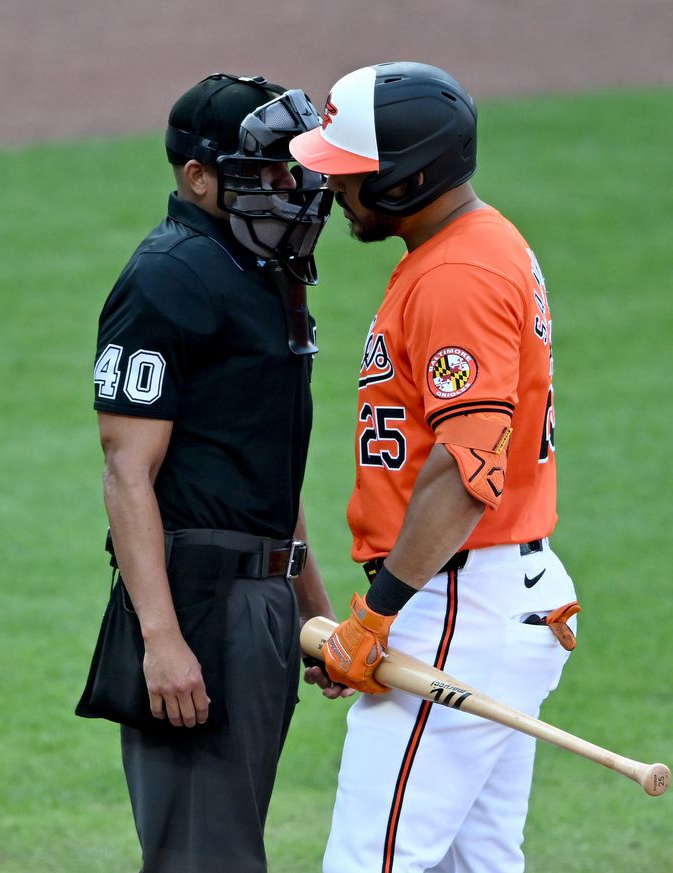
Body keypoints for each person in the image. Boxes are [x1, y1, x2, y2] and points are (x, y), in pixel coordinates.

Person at [289, 62, 583, 872]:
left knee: (369, 864)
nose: (336, 192)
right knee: (475, 863)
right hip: (485, 591)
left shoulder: (458, 271)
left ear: (406, 177)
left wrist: (377, 617)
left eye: (350, 176)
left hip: (454, 598)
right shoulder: (466, 247)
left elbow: (466, 466)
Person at [76, 73, 349, 873]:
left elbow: (272, 469)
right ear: (198, 177)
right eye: (264, 171)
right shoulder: (169, 276)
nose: (290, 188)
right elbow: (127, 472)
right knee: (205, 859)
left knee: (225, 849)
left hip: (261, 604)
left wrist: (317, 614)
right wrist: (162, 639)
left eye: (293, 169)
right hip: (199, 604)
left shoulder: (264, 274)